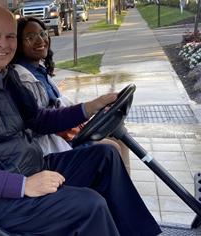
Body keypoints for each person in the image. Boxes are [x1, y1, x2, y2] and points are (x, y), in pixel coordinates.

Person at [0, 6, 161, 235]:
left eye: (10, 36)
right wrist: (24, 186)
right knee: (89, 205)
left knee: (105, 156)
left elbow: (38, 120)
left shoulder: (4, 76)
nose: (4, 44)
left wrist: (90, 107)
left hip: (29, 168)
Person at [12, 16, 130, 172]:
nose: (40, 40)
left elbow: (62, 103)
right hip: (50, 148)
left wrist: (93, 111)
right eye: (30, 37)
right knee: (112, 148)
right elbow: (42, 121)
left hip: (65, 134)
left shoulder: (39, 70)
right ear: (18, 44)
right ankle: (116, 191)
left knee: (120, 137)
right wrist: (85, 112)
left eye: (42, 34)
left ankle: (123, 187)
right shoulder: (22, 79)